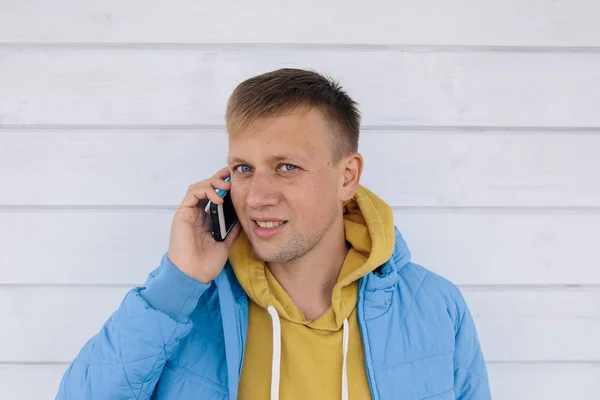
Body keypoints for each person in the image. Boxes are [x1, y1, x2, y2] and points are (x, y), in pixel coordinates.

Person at [56, 68, 491, 400]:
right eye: (244, 169)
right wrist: (178, 283)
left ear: (347, 177)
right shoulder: (186, 307)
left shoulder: (435, 307)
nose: (257, 197)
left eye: (287, 167)